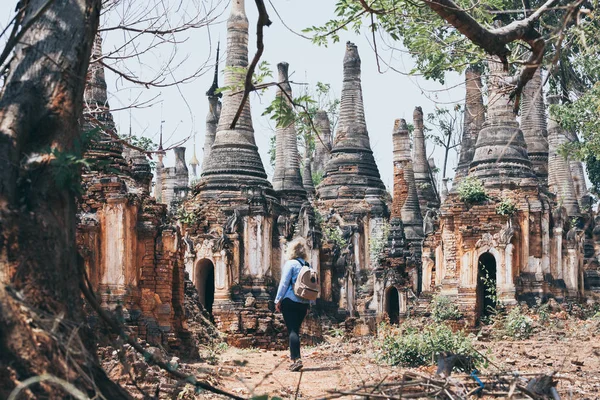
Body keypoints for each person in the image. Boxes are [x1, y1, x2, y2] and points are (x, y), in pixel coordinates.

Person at [274, 238, 314, 372]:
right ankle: (296, 358)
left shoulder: (290, 264)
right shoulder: (307, 265)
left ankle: (296, 359)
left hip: (290, 301)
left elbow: (284, 283)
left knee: (292, 330)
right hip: (303, 303)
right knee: (296, 330)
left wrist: (278, 300)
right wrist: (308, 304)